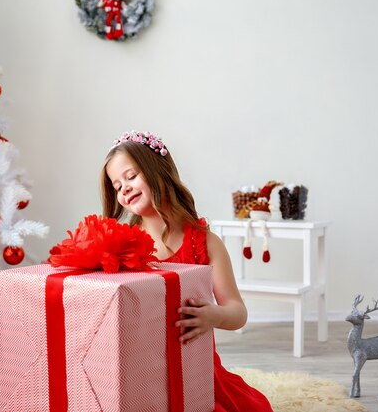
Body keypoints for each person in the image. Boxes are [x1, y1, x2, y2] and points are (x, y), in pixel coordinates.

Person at [101, 130, 273, 412]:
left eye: (131, 177)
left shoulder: (205, 243)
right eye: (117, 186)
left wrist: (213, 315)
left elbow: (237, 312)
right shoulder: (122, 243)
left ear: (159, 171)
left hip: (195, 369)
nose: (124, 189)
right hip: (140, 372)